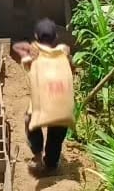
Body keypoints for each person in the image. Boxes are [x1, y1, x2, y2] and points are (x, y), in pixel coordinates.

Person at [11, 18, 74, 173]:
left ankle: (38, 155)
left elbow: (16, 47)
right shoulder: (63, 53)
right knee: (57, 131)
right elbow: (71, 68)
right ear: (56, 37)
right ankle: (51, 165)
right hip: (62, 103)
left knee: (30, 120)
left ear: (36, 36)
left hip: (41, 103)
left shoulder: (33, 57)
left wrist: (31, 47)